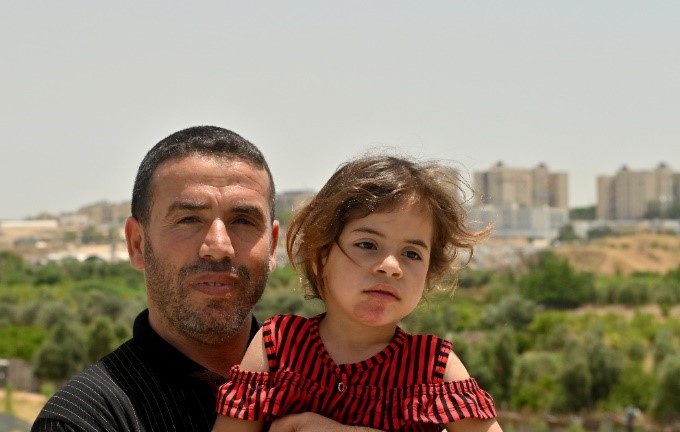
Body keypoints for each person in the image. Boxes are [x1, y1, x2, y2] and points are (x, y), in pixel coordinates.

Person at [31, 126, 377, 432]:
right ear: (138, 244)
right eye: (188, 220)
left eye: (243, 220)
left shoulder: (345, 388)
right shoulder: (85, 420)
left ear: (272, 246)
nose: (218, 247)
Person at [213, 155, 502, 432]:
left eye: (411, 254)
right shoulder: (276, 346)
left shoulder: (434, 368)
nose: (391, 267)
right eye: (367, 245)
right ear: (321, 256)